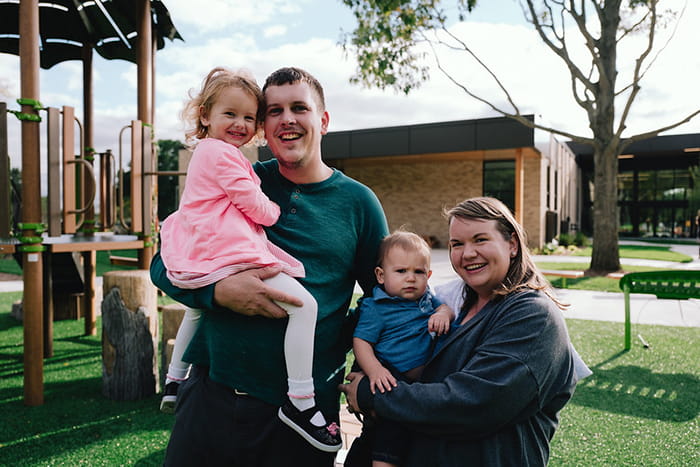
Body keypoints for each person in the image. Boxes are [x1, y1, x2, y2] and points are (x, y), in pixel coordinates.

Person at [150, 67, 389, 466]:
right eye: (274, 111)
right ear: (264, 125)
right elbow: (165, 263)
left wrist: (361, 360)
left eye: (299, 107)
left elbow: (385, 299)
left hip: (298, 415)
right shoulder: (237, 179)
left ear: (323, 120)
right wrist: (216, 291)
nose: (287, 119)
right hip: (211, 393)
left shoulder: (359, 203)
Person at [340, 197, 586, 466]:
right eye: (457, 244)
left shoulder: (533, 315)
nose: (467, 253)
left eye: (480, 240)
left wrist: (371, 394)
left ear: (512, 244)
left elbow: (473, 405)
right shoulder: (449, 300)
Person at [353, 231, 453, 467]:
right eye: (401, 271)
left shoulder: (427, 298)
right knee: (391, 427)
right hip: (391, 373)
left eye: (418, 272)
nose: (411, 278)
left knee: (407, 430)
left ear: (428, 276)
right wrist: (375, 370)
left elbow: (446, 308)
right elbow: (361, 342)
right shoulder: (377, 307)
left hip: (421, 383)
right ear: (381, 275)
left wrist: (443, 313)